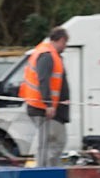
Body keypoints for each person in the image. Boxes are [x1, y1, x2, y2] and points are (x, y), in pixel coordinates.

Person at [19, 26, 71, 167]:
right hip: (43, 109)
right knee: (50, 142)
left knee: (51, 142)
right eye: (65, 43)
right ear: (61, 40)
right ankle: (45, 171)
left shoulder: (49, 54)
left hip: (47, 109)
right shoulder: (47, 56)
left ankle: (47, 170)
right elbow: (43, 80)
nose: (65, 46)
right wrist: (48, 104)